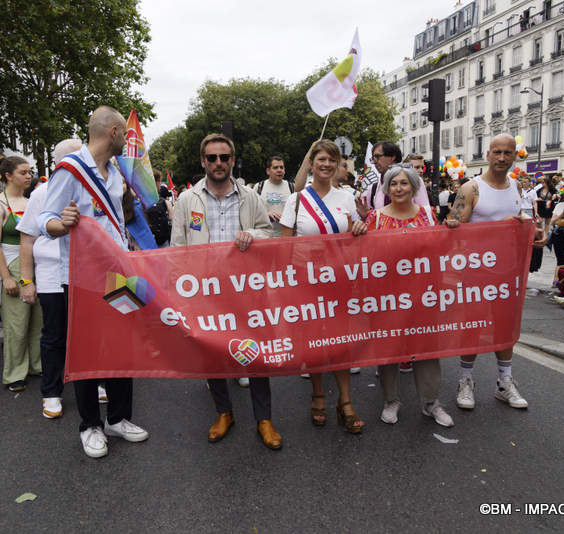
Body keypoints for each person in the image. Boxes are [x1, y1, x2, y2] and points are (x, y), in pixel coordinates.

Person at [41, 106, 148, 458]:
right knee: (87, 352)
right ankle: (90, 425)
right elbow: (45, 220)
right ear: (114, 132)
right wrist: (63, 222)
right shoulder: (70, 169)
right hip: (83, 278)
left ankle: (118, 418)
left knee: (122, 346)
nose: (127, 141)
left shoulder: (115, 172)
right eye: (126, 134)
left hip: (119, 273)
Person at [171, 133, 281, 450]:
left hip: (247, 290)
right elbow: (177, 247)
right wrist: (183, 293)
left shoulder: (249, 197)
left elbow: (268, 233)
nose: (218, 163)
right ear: (203, 161)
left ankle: (264, 418)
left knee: (257, 353)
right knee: (213, 353)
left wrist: (252, 235)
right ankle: (224, 412)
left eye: (224, 157)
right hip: (205, 291)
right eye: (212, 158)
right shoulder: (188, 201)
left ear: (232, 160)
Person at [448, 133, 545, 410]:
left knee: (504, 326)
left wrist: (532, 232)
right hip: (475, 273)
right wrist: (498, 227)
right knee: (474, 327)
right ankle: (466, 380)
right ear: (488, 155)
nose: (502, 158)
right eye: (497, 152)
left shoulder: (517, 188)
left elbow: (520, 221)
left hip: (507, 272)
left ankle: (505, 381)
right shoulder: (470, 188)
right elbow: (453, 232)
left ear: (515, 155)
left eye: (508, 153)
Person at [280, 139, 368, 433]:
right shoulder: (295, 200)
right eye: (321, 159)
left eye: (333, 160)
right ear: (312, 163)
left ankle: (345, 401)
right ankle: (317, 394)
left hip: (340, 281)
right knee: (314, 342)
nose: (327, 165)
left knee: (341, 341)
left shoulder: (347, 198)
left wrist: (360, 226)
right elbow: (283, 246)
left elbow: (360, 234)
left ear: (338, 165)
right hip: (307, 282)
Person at [364, 163, 454, 428]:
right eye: (393, 183)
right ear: (386, 188)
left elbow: (440, 252)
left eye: (404, 183)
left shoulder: (428, 215)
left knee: (426, 350)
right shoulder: (375, 218)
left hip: (422, 296)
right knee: (389, 348)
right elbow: (364, 258)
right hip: (386, 298)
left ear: (414, 187)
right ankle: (391, 400)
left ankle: (430, 403)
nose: (398, 188)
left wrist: (452, 229)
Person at [18, 138, 82, 419]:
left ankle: (95, 381)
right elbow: (27, 239)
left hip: (87, 276)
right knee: (55, 336)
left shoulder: (94, 188)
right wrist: (26, 281)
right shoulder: (41, 193)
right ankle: (52, 391)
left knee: (88, 334)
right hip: (51, 277)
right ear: (60, 163)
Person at [0, 156, 42, 392]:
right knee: (16, 323)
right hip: (13, 264)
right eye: (23, 172)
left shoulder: (32, 201)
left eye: (30, 172)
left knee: (38, 322)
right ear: (8, 175)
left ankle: (36, 365)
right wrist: (6, 276)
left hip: (38, 265)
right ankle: (15, 373)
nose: (28, 176)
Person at [256, 156, 293, 238]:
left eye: (281, 167)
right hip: (264, 236)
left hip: (285, 236)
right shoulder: (258, 187)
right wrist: (266, 214)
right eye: (275, 167)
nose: (279, 170)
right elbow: (252, 211)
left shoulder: (292, 187)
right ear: (268, 171)